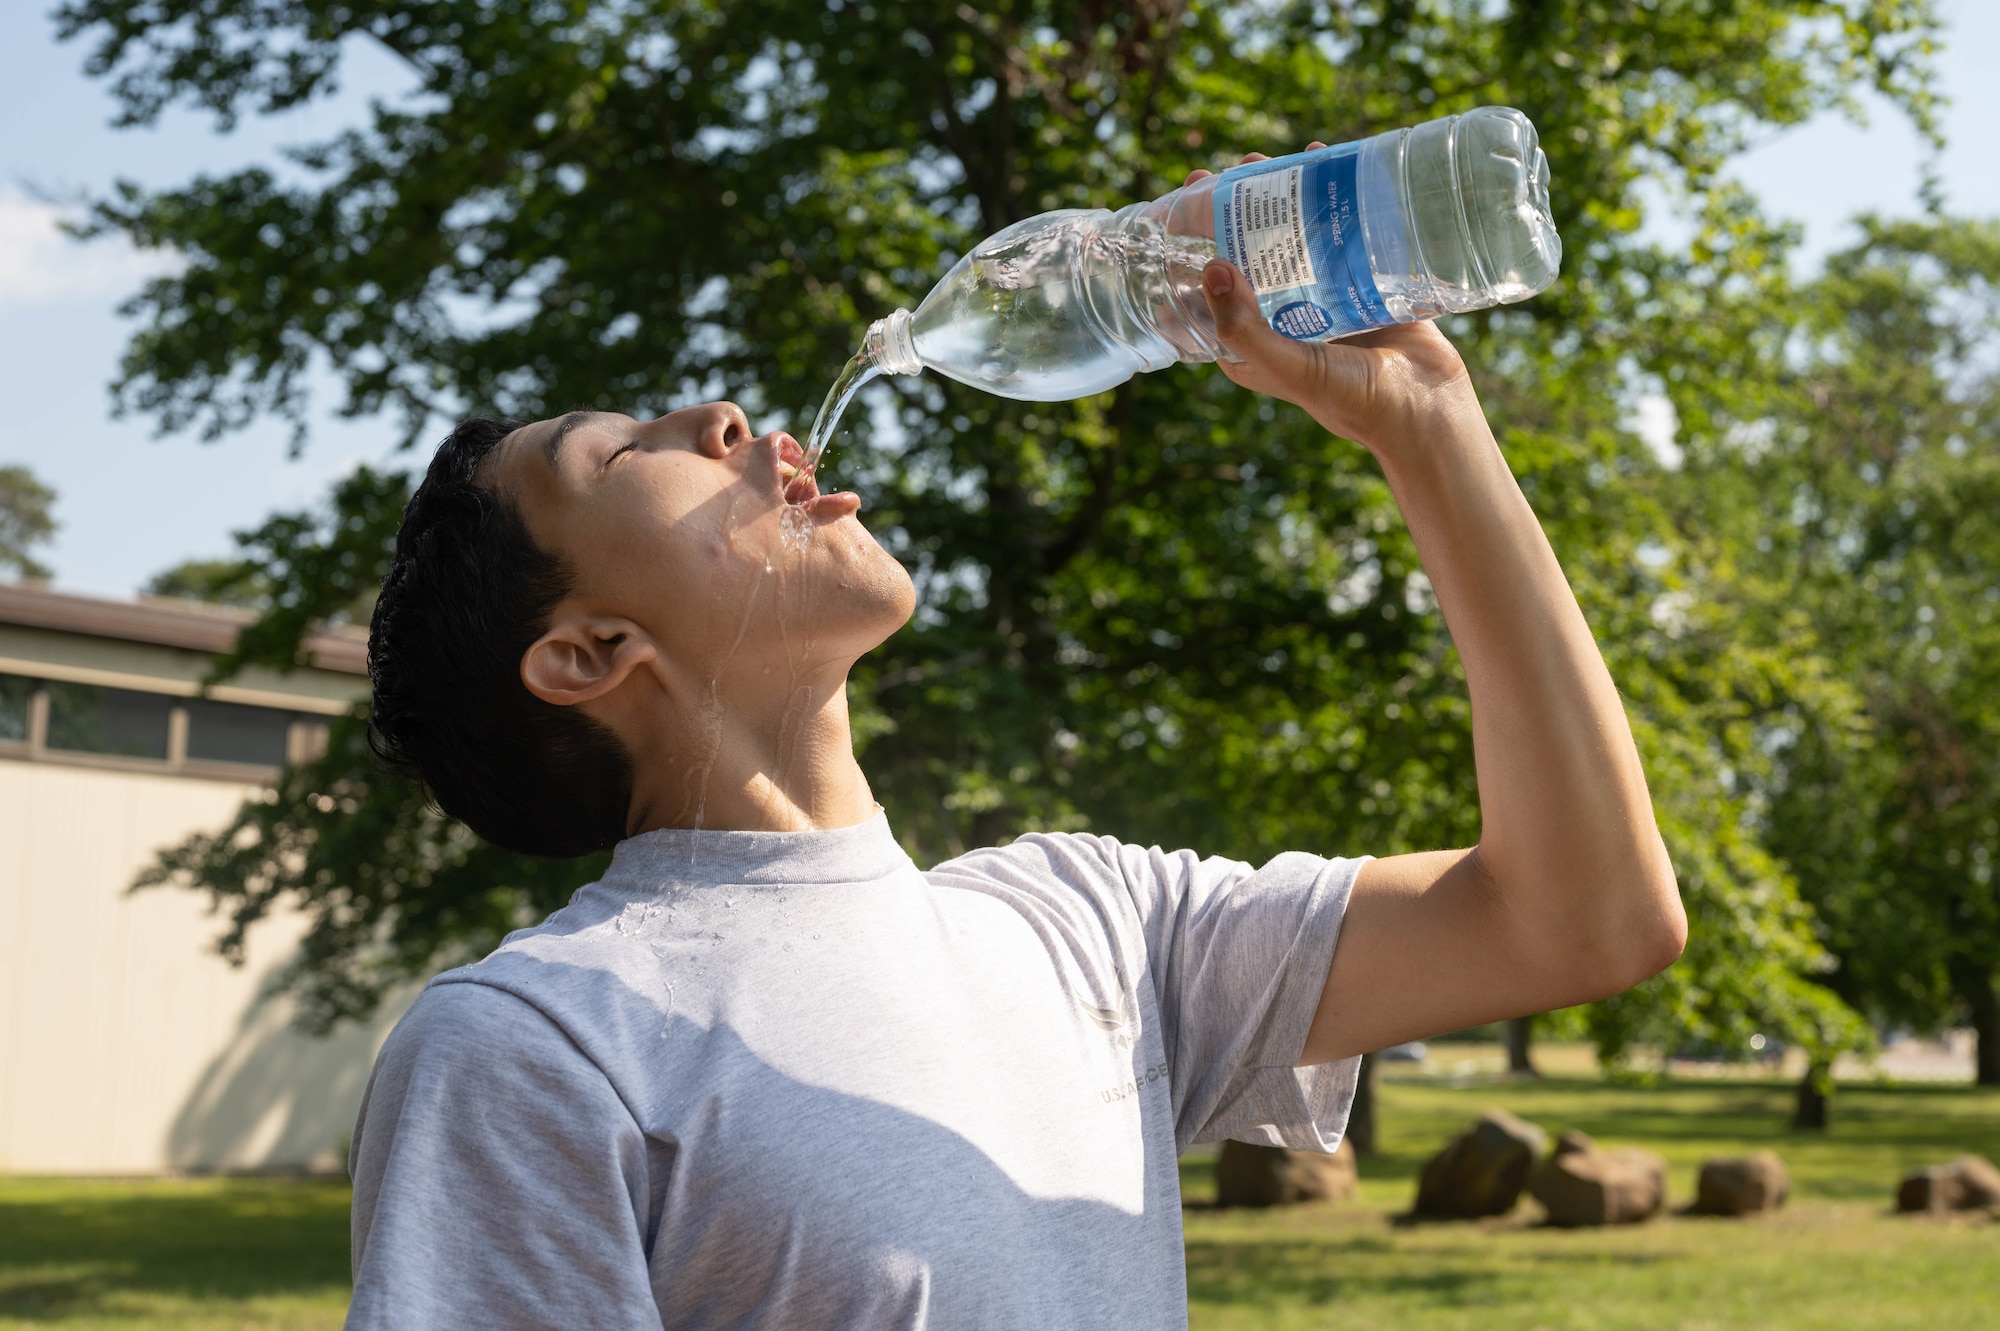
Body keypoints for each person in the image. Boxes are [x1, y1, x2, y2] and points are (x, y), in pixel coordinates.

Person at [344, 218, 1684, 1327]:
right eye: (627, 449)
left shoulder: (1093, 925)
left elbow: (1582, 920)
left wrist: (1430, 427)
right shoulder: (538, 1047)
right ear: (587, 653)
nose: (719, 410)